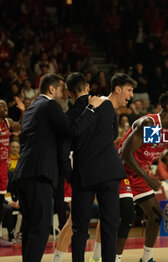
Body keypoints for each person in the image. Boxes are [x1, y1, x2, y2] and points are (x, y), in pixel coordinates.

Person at [13, 73, 102, 262]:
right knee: (41, 228)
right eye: (61, 89)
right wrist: (91, 109)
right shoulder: (49, 105)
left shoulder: (31, 109)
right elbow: (71, 130)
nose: (64, 94)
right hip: (39, 173)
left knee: (30, 227)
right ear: (52, 89)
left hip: (23, 173)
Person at [51, 72, 135, 262]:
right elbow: (113, 134)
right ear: (87, 87)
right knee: (109, 224)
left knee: (79, 227)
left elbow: (63, 150)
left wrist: (70, 174)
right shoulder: (106, 106)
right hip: (109, 172)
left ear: (69, 93)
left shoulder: (69, 115)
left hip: (83, 175)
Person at [117, 91, 168, 262]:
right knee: (127, 216)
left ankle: (147, 258)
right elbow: (126, 154)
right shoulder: (150, 123)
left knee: (156, 216)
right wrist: (148, 178)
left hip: (138, 175)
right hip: (121, 172)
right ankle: (114, 258)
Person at [0, 99, 23, 247]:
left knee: (1, 201)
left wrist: (22, 111)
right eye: (1, 106)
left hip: (3, 167)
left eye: (5, 105)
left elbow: (20, 125)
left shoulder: (7, 122)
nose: (4, 108)